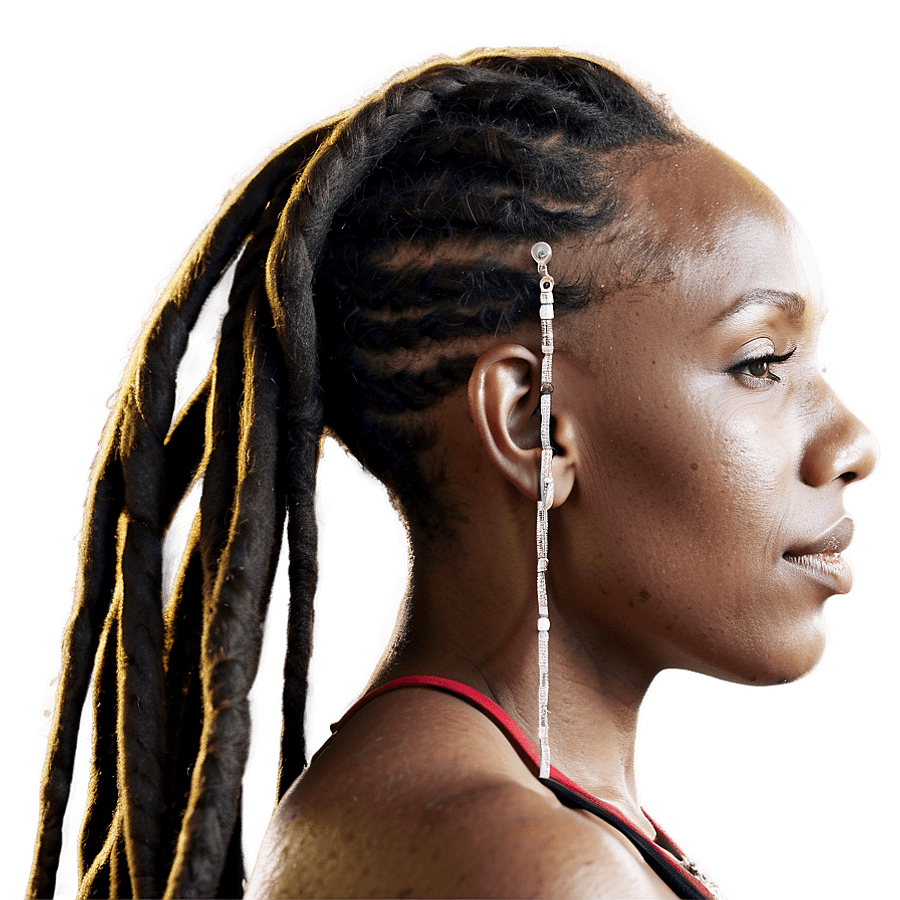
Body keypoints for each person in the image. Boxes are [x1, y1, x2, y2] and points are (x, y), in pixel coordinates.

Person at [26, 45, 879, 900]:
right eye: (762, 363)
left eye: (820, 365)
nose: (855, 445)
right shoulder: (533, 866)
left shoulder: (494, 816)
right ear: (532, 424)